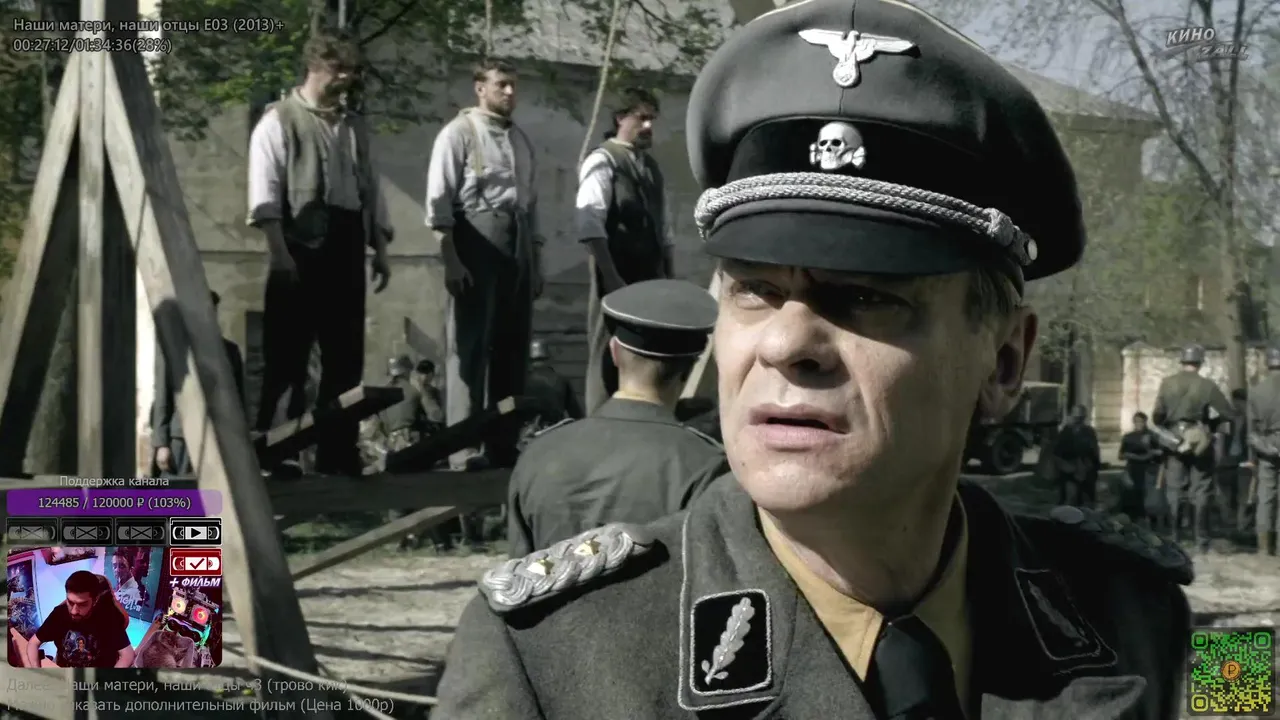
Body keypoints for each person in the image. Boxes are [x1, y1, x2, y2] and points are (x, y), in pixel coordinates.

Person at [433, 2, 1191, 716]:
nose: (785, 344)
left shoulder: (1152, 609)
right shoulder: (538, 651)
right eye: (753, 291)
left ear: (1002, 362)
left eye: (864, 297)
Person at [247, 31, 393, 476]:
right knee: (288, 354)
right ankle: (278, 451)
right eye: (338, 69)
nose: (346, 78)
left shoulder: (352, 126)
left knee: (345, 355)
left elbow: (370, 187)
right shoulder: (279, 120)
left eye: (351, 70)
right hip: (299, 245)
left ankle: (338, 453)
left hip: (346, 245)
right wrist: (279, 252)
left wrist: (380, 247)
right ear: (314, 66)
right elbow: (265, 192)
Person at [506, 279, 727, 556]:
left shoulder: (538, 452)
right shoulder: (704, 463)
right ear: (691, 365)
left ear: (613, 352)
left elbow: (517, 572)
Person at [427, 57, 542, 471]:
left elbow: (531, 204)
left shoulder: (520, 140)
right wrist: (451, 260)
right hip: (475, 238)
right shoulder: (458, 133)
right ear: (480, 88)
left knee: (513, 348)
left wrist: (536, 261)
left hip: (518, 244)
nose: (509, 92)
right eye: (500, 84)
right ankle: (464, 447)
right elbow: (439, 202)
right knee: (470, 347)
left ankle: (503, 444)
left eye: (513, 85)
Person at [577, 88, 671, 414]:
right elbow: (590, 226)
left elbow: (664, 229)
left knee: (648, 354)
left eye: (652, 119)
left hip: (650, 276)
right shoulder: (602, 161)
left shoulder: (651, 168)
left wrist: (667, 276)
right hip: (616, 273)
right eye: (641, 118)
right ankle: (599, 423)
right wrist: (611, 277)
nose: (648, 126)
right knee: (607, 353)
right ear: (620, 118)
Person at [152, 291, 246, 476]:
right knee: (177, 490)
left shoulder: (230, 351)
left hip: (221, 437)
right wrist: (161, 443)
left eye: (212, 311)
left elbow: (239, 400)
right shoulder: (174, 349)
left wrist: (241, 441)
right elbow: (163, 394)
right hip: (183, 437)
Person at [1152, 343, 1233, 550]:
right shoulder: (1207, 385)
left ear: (1183, 360)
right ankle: (1201, 540)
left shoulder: (1167, 383)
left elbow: (1157, 415)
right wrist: (1209, 426)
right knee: (1201, 489)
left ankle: (1174, 536)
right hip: (1200, 442)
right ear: (1200, 362)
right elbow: (1228, 413)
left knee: (1174, 489)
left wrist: (1169, 428)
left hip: (1173, 441)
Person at [25, 571, 134, 669]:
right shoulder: (59, 613)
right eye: (70, 602)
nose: (74, 611)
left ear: (95, 600)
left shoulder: (108, 617)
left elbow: (127, 655)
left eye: (82, 604)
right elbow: (33, 643)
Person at [1247, 347, 1280, 556]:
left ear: (1268, 364)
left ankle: (1263, 547)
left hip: (1267, 444)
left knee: (1265, 497)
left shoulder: (1257, 390)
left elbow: (1251, 429)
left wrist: (1253, 457)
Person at [521, 338, 584, 444]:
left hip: (529, 437)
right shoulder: (560, 381)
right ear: (548, 358)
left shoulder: (522, 382)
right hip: (555, 434)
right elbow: (577, 415)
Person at [1048, 404, 1101, 508]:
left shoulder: (1089, 431)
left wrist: (1092, 467)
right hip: (1069, 470)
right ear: (1071, 416)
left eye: (1080, 417)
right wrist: (1068, 467)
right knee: (1070, 499)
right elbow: (1057, 453)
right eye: (1076, 417)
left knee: (1087, 501)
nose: (1077, 420)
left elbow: (1094, 451)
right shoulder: (1065, 432)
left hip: (1086, 470)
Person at [1118, 411, 1160, 527]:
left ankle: (1148, 521)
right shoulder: (1128, 437)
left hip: (1147, 470)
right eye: (1137, 421)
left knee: (1146, 496)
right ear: (1133, 422)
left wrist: (1145, 452)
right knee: (1131, 495)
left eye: (1141, 421)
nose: (1139, 424)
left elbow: (1157, 454)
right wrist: (1131, 456)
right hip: (1132, 469)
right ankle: (1132, 520)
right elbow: (1120, 455)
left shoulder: (1152, 436)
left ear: (1145, 422)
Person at [413, 359, 446, 434]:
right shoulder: (414, 391)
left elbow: (438, 415)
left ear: (432, 374)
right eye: (421, 373)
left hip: (433, 428)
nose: (424, 376)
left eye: (427, 373)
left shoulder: (435, 392)